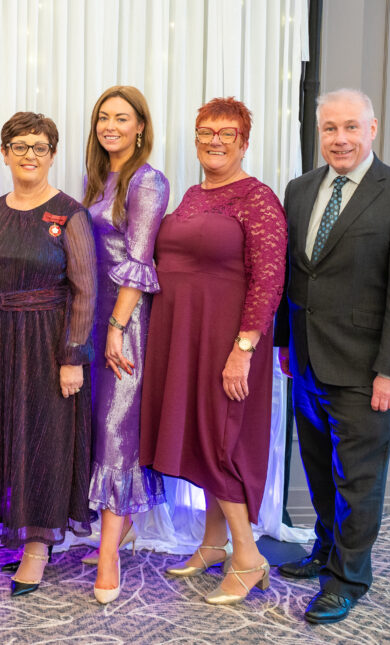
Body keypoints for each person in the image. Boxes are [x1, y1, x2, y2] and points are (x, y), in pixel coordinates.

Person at [273, 88, 390, 624]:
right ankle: (324, 549)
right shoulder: (300, 190)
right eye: (329, 128)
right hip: (307, 363)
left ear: (372, 128)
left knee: (358, 481)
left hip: (367, 370)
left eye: (350, 127)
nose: (339, 138)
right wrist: (283, 343)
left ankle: (348, 579)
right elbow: (293, 275)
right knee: (320, 470)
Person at [139, 97, 287, 605]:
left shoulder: (258, 199)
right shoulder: (191, 196)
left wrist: (243, 348)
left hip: (227, 339)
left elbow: (269, 281)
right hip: (183, 336)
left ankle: (249, 557)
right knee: (202, 437)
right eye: (206, 131)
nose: (215, 140)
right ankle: (213, 543)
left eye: (227, 132)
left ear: (244, 141)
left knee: (221, 440)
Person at [0, 112, 97, 597]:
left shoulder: (69, 213)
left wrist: (72, 357)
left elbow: (85, 292)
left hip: (46, 342)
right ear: (3, 153)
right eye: (19, 146)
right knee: (8, 436)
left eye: (39, 147)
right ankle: (19, 536)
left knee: (44, 437)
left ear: (52, 155)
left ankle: (39, 547)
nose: (28, 155)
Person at [82, 86, 169, 603]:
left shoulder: (147, 180)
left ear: (141, 126)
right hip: (94, 317)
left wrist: (116, 326)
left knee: (118, 431)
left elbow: (138, 264)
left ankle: (109, 553)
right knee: (101, 427)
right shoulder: (101, 179)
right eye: (103, 118)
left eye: (121, 118)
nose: (110, 126)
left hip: (126, 319)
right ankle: (122, 529)